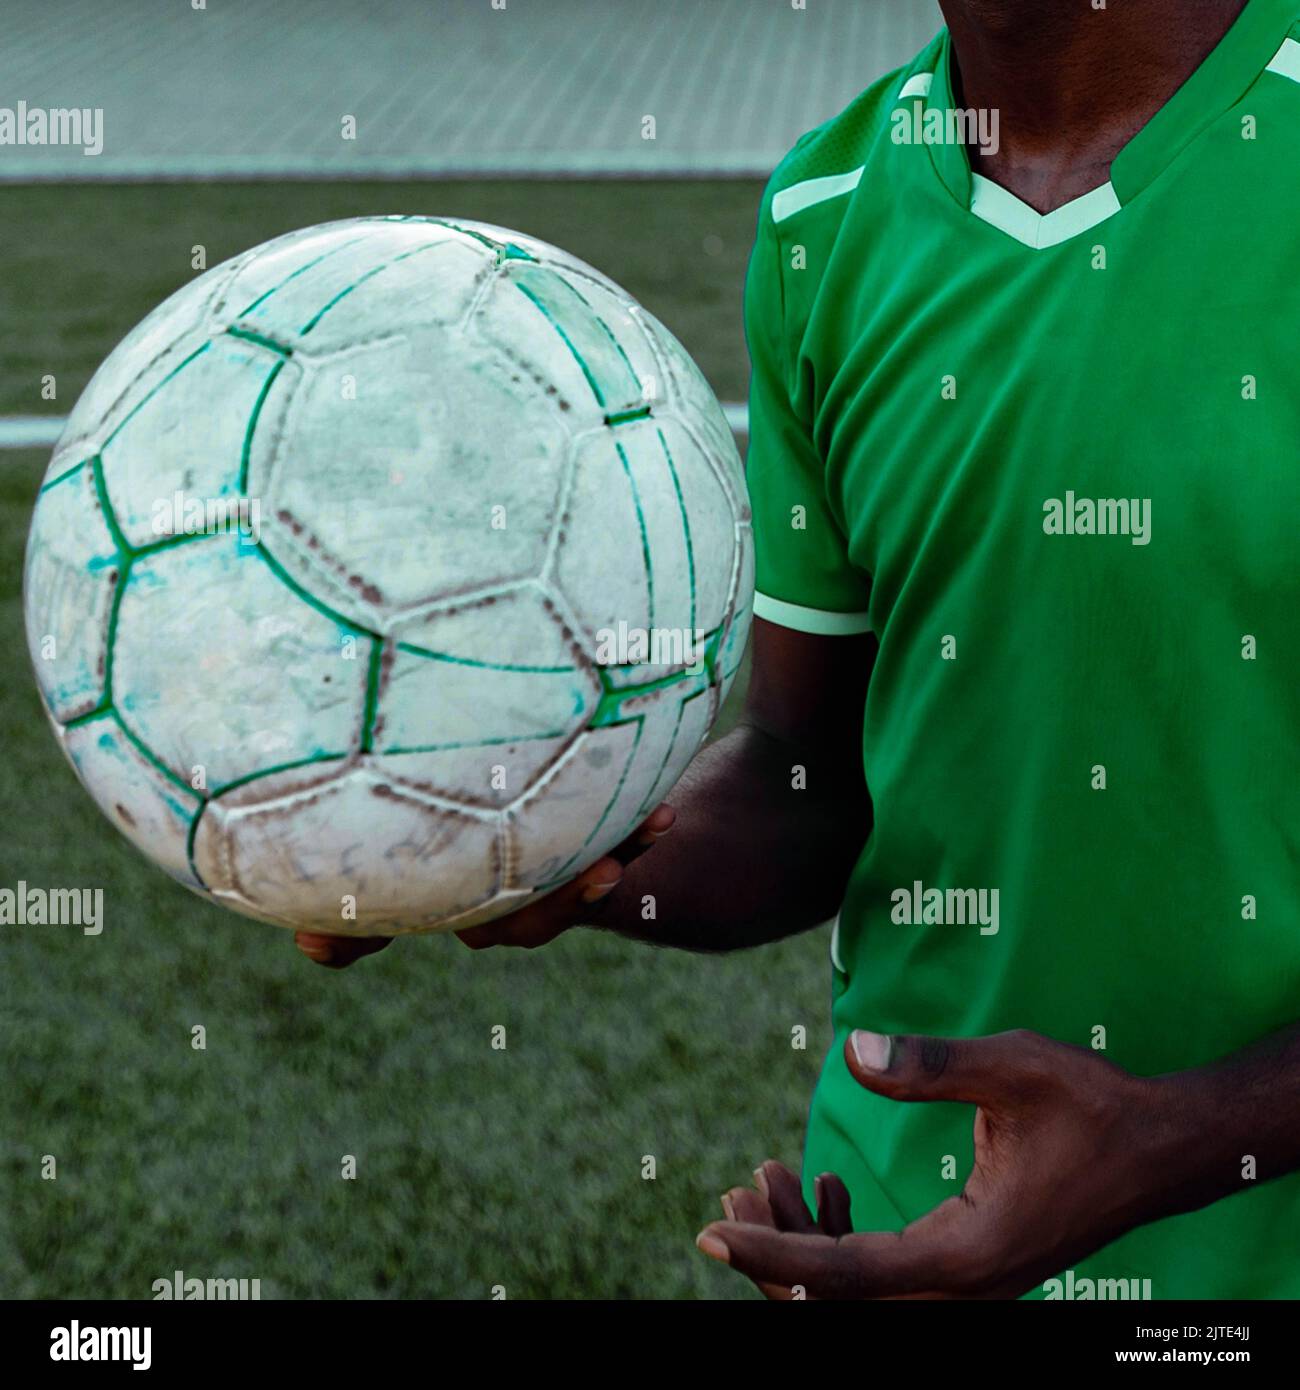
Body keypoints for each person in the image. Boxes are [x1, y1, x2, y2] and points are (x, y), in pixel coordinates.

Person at [296, 0, 1300, 1299]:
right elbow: (803, 773)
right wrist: (530, 837)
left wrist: (1176, 1141)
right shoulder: (825, 210)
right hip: (901, 1221)